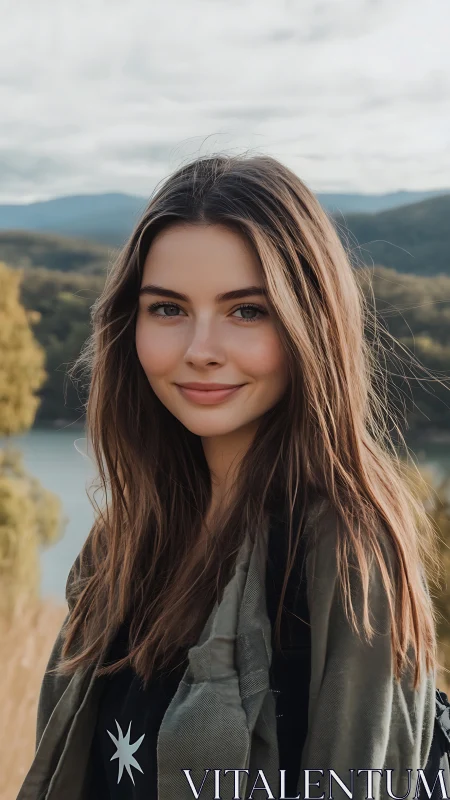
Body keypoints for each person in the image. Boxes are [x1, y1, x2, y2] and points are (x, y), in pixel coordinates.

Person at [17, 154, 442, 800]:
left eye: (247, 311)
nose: (200, 349)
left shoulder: (343, 547)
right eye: (167, 309)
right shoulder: (123, 537)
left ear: (312, 323)